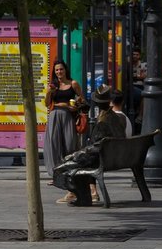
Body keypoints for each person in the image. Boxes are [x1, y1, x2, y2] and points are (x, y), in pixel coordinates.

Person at [52, 84, 127, 206]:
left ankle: (82, 197)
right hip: (114, 157)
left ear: (97, 103)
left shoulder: (102, 123)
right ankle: (86, 194)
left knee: (60, 168)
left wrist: (72, 156)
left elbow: (93, 148)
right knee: (73, 161)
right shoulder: (117, 118)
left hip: (100, 159)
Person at [43, 60, 83, 203]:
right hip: (54, 117)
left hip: (67, 118)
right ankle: (58, 177)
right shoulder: (53, 86)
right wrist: (49, 93)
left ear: (65, 70)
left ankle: (71, 187)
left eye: (61, 69)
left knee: (70, 149)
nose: (59, 72)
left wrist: (75, 106)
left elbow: (82, 100)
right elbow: (47, 104)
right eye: (56, 70)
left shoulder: (73, 84)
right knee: (54, 148)